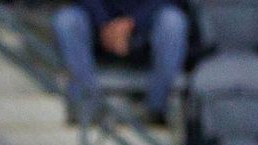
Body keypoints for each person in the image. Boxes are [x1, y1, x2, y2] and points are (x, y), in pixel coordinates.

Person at [51, 0, 189, 125]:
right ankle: (86, 108)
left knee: (173, 22)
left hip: (147, 25)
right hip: (99, 26)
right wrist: (104, 24)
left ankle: (157, 111)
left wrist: (131, 23)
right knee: (66, 20)